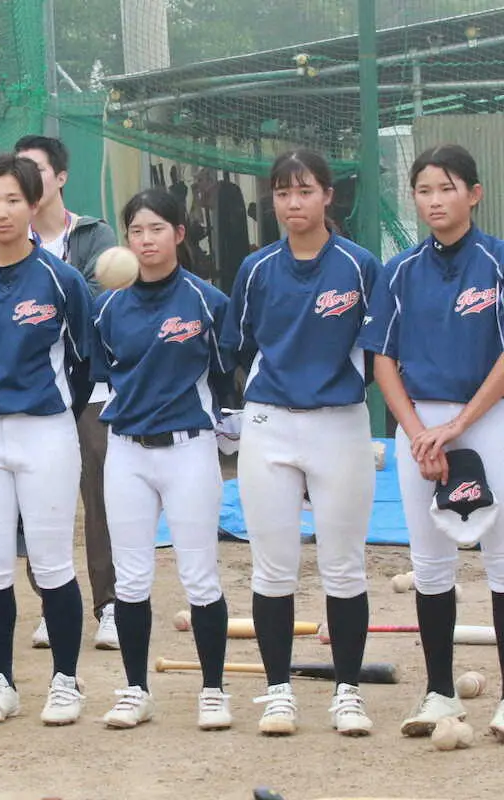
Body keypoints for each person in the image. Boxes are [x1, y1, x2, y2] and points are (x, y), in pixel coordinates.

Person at [219, 148, 382, 737]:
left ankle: (347, 692)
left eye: (305, 190)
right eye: (283, 193)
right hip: (270, 424)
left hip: (340, 422)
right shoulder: (257, 268)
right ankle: (278, 691)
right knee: (273, 567)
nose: (294, 202)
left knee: (344, 566)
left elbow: (380, 346)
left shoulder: (360, 265)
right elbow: (237, 344)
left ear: (327, 196)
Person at [357, 144, 504, 740]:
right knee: (429, 562)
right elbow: (382, 359)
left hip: (489, 420)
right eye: (423, 189)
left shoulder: (497, 261)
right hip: (418, 427)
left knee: (500, 559)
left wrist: (457, 424)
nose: (435, 200)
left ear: (474, 193)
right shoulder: (400, 270)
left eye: (447, 187)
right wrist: (419, 432)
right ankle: (439, 693)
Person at [0, 153, 93, 726]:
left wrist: (48, 413)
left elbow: (83, 366)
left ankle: (65, 681)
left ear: (34, 205)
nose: (0, 212)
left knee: (53, 565)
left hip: (47, 435)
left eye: (12, 200)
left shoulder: (63, 279)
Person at [91, 189, 233, 731]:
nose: (145, 240)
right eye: (135, 230)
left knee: (200, 577)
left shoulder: (205, 301)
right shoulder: (108, 305)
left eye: (156, 228)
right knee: (130, 580)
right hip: (126, 451)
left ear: (178, 233)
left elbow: (224, 372)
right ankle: (134, 690)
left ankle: (214, 690)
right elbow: (99, 374)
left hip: (188, 448)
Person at [14, 134, 120, 651]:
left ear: (59, 178)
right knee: (42, 503)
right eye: (18, 171)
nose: (27, 181)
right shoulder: (7, 244)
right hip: (35, 394)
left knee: (101, 498)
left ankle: (112, 605)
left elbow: (100, 304)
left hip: (93, 388)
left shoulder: (95, 235)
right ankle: (50, 601)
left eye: (36, 170)